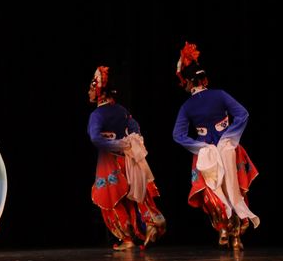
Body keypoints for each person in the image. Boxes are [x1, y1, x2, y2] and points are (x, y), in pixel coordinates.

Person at [172, 42, 259, 250]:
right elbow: (243, 114)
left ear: (189, 82)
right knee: (234, 187)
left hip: (206, 152)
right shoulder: (219, 95)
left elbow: (178, 135)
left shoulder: (187, 106)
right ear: (203, 79)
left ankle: (223, 229)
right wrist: (228, 137)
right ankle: (237, 234)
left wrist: (199, 146)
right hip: (228, 147)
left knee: (213, 190)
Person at [88, 65, 166, 250]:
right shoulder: (122, 110)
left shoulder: (97, 114)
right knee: (134, 196)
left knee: (110, 200)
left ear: (99, 92)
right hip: (128, 160)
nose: (88, 92)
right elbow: (135, 129)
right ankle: (152, 220)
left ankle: (128, 239)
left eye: (91, 88)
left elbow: (95, 138)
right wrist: (126, 144)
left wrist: (113, 145)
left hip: (108, 163)